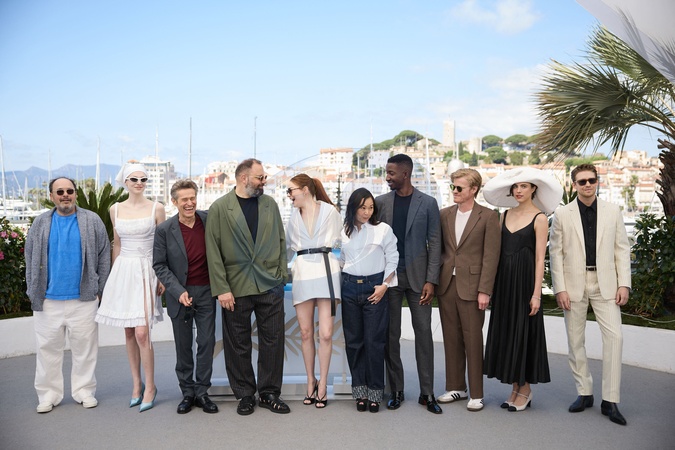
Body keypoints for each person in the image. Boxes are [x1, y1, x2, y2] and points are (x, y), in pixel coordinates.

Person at [205, 158, 289, 416]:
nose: (264, 181)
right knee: (237, 344)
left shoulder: (270, 204)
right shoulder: (220, 208)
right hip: (235, 287)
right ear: (244, 178)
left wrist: (281, 276)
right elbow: (213, 250)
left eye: (264, 177)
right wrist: (222, 288)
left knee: (273, 341)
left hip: (269, 284)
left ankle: (269, 393)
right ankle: (244, 395)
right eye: (260, 177)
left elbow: (281, 240)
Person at [549, 163, 631, 426]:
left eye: (591, 180)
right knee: (575, 341)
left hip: (606, 283)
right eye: (582, 181)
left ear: (597, 182)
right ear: (574, 185)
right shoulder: (562, 214)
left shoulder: (613, 211)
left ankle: (610, 400)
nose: (587, 185)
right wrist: (560, 288)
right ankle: (584, 392)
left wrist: (624, 284)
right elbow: (555, 253)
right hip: (573, 283)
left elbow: (622, 249)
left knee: (615, 338)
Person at [25, 177, 111, 414]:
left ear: (76, 194)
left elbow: (104, 255)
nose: (65, 195)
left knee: (85, 350)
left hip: (84, 298)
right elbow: (29, 256)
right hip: (47, 300)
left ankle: (84, 391)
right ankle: (48, 395)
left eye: (70, 191)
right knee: (47, 351)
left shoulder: (91, 220)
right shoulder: (40, 223)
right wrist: (33, 289)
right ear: (52, 196)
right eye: (60, 191)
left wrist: (100, 289)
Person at [482, 167, 563, 412]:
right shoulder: (504, 215)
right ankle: (515, 388)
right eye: (515, 186)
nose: (518, 190)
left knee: (523, 333)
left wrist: (536, 294)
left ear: (533, 189)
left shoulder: (540, 218)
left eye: (524, 186)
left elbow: (540, 259)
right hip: (505, 283)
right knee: (508, 332)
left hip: (525, 283)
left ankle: (525, 389)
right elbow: (496, 252)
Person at [95, 162, 166, 413]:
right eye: (134, 179)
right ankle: (137, 384)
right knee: (128, 332)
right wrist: (113, 277)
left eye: (143, 179)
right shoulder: (115, 209)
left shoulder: (157, 208)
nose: (139, 183)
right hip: (123, 270)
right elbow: (117, 244)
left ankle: (151, 386)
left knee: (142, 332)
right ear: (125, 182)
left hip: (147, 270)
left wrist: (161, 277)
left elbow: (162, 245)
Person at [375, 154, 442, 414]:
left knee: (424, 335)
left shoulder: (428, 203)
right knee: (391, 336)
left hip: (419, 279)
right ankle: (396, 390)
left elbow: (435, 243)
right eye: (387, 172)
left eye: (391, 173)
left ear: (405, 173)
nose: (387, 177)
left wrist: (431, 280)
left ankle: (427, 393)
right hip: (389, 278)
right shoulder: (381, 203)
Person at [437, 168, 500, 412]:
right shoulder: (444, 214)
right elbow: (440, 250)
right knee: (451, 338)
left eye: (459, 187)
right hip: (447, 285)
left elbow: (491, 257)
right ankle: (456, 387)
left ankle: (476, 393)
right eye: (452, 186)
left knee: (473, 340)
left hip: (473, 288)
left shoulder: (488, 216)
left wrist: (485, 290)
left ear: (473, 189)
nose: (454, 191)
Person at [153, 180, 218, 414]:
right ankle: (187, 393)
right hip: (179, 293)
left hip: (207, 291)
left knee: (206, 342)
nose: (190, 203)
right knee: (183, 346)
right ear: (174, 202)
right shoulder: (164, 230)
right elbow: (159, 265)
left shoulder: (209, 220)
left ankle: (202, 392)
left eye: (192, 198)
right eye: (184, 199)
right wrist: (178, 291)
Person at [285, 174, 342, 408]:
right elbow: (288, 248)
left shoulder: (330, 212)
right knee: (306, 332)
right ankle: (311, 381)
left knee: (326, 334)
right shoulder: (292, 217)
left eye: (291, 190)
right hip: (302, 273)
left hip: (326, 270)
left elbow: (342, 241)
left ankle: (323, 383)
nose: (289, 195)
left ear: (305, 189)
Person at [340, 188, 398, 413]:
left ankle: (375, 392)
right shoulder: (344, 231)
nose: (367, 212)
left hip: (375, 288)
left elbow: (393, 258)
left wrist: (384, 285)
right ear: (353, 208)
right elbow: (342, 260)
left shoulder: (383, 229)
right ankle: (360, 393)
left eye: (370, 207)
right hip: (349, 287)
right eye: (362, 207)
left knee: (374, 342)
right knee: (354, 342)